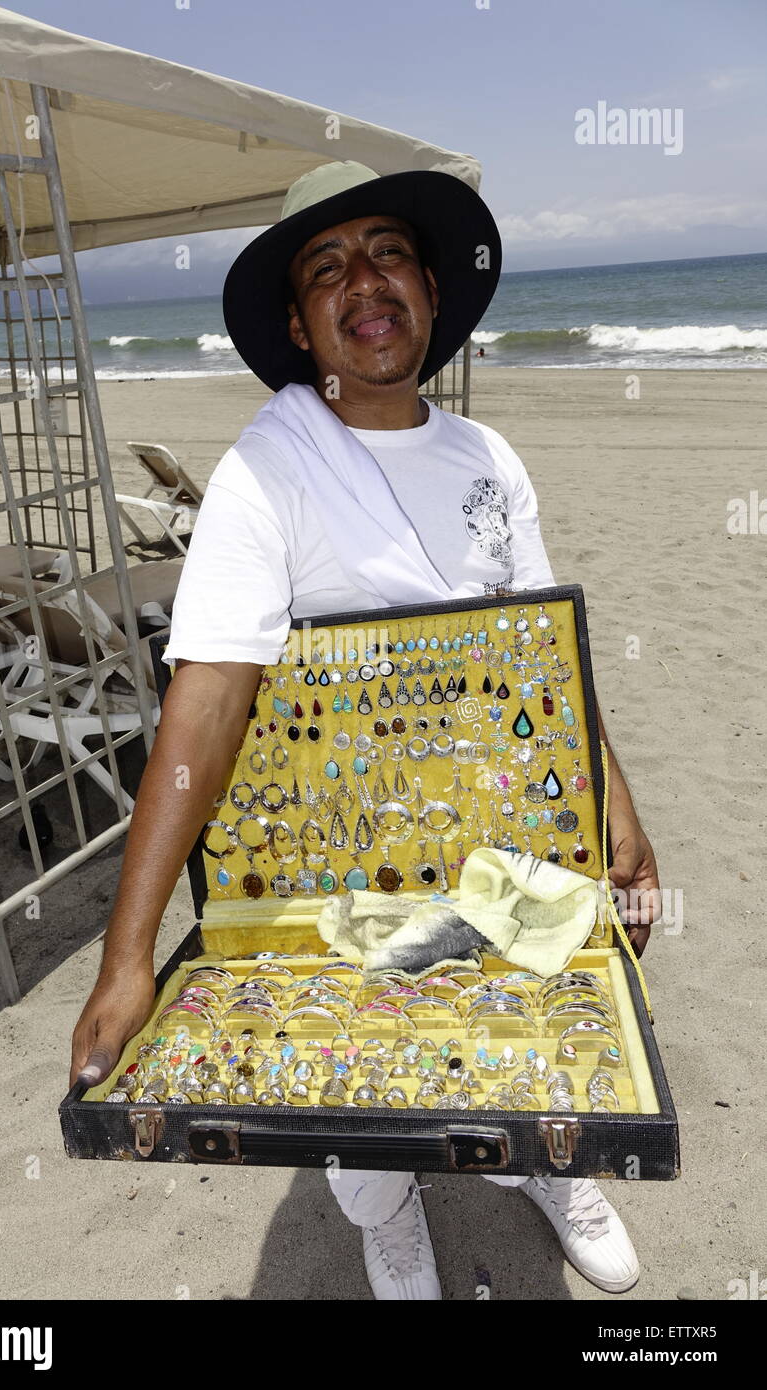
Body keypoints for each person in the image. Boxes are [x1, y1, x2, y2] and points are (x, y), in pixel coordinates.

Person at [71, 161, 660, 1301]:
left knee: (520, 1023)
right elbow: (207, 699)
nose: (363, 282)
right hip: (335, 853)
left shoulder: (489, 459)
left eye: (385, 252)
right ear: (300, 323)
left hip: (504, 838)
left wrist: (618, 815)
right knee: (359, 1083)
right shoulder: (265, 472)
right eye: (326, 267)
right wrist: (127, 952)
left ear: (429, 289)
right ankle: (390, 1224)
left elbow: (542, 661)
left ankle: (545, 1172)